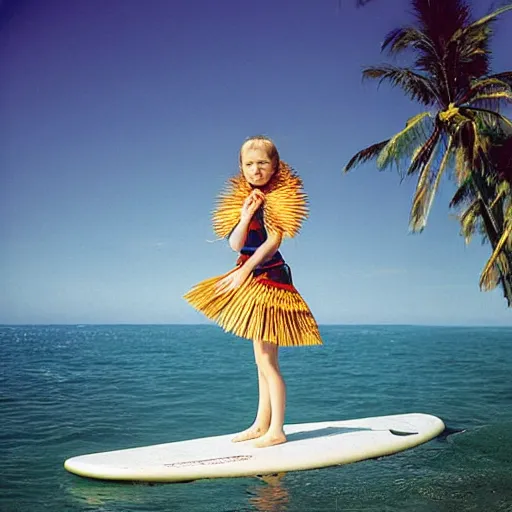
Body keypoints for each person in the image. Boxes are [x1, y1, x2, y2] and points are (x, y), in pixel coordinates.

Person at [184, 135, 322, 448]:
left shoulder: (280, 199)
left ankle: (277, 429)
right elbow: (235, 244)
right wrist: (246, 214)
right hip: (252, 278)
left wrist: (244, 271)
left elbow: (273, 243)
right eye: (249, 164)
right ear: (241, 167)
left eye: (262, 163)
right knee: (259, 360)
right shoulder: (245, 198)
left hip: (270, 280)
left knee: (268, 361)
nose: (256, 169)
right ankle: (261, 424)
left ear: (275, 165)